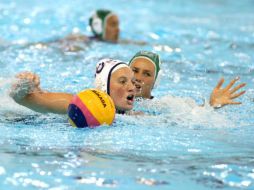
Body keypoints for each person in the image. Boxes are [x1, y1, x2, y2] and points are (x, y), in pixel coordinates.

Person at [10, 59, 136, 114]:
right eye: (122, 81)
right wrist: (24, 85)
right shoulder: (78, 104)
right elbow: (21, 98)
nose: (132, 87)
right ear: (104, 87)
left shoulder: (133, 115)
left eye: (132, 81)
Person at [129, 51, 246, 108]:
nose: (138, 78)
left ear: (156, 80)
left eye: (147, 74)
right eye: (135, 70)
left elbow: (192, 114)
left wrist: (212, 105)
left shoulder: (162, 106)